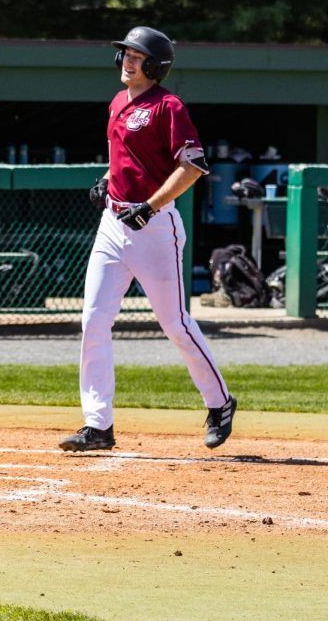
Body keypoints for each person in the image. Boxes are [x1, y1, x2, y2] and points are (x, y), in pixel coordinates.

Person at [64, 26, 236, 452]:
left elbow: (191, 167)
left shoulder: (169, 106)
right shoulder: (118, 102)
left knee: (175, 323)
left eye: (136, 56)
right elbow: (122, 158)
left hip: (155, 228)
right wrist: (106, 180)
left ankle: (220, 402)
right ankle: (98, 425)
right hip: (113, 224)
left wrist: (152, 206)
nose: (127, 60)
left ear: (155, 65)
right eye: (125, 53)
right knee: (93, 321)